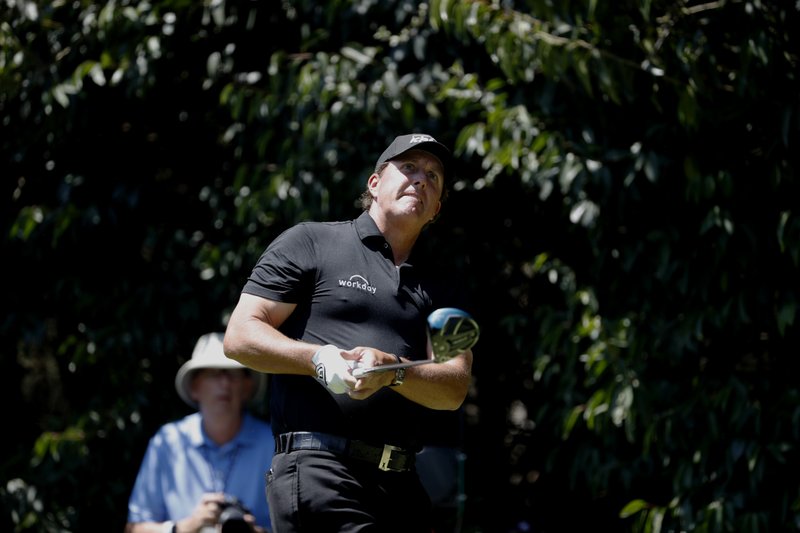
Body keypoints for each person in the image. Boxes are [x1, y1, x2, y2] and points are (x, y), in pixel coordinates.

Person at [223, 132, 473, 533]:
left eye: (433, 176)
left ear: (436, 209)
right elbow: (240, 336)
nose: (420, 179)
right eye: (408, 167)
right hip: (320, 469)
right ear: (374, 184)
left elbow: (454, 386)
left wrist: (393, 369)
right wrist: (318, 360)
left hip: (403, 483)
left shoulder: (445, 285)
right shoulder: (312, 242)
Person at [126, 332, 274, 533]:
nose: (225, 384)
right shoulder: (168, 442)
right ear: (194, 387)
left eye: (233, 374)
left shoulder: (272, 444)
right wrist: (185, 527)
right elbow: (135, 528)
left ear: (247, 387)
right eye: (214, 374)